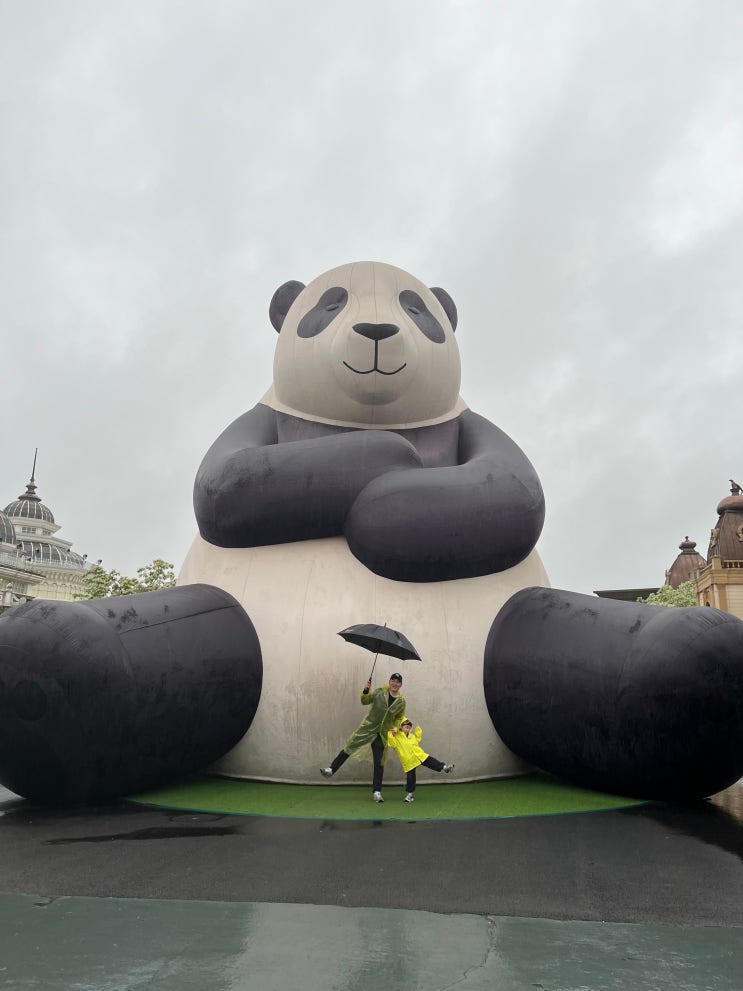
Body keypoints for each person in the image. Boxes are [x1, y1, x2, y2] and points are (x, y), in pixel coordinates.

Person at [321, 672, 406, 802]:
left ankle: (377, 792)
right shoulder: (379, 693)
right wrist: (366, 690)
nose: (395, 683)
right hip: (368, 728)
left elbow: (399, 717)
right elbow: (364, 701)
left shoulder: (401, 702)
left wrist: (395, 727)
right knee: (350, 746)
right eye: (393, 680)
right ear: (389, 682)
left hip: (381, 734)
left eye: (398, 682)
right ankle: (331, 769)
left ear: (400, 685)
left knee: (379, 762)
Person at [387, 717, 453, 802]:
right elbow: (392, 744)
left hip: (419, 755)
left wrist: (418, 730)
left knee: (431, 761)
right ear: (401, 727)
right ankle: (409, 794)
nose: (408, 729)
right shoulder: (397, 737)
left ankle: (444, 767)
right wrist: (391, 734)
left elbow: (417, 740)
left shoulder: (411, 736)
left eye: (409, 728)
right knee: (410, 777)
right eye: (406, 727)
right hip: (408, 760)